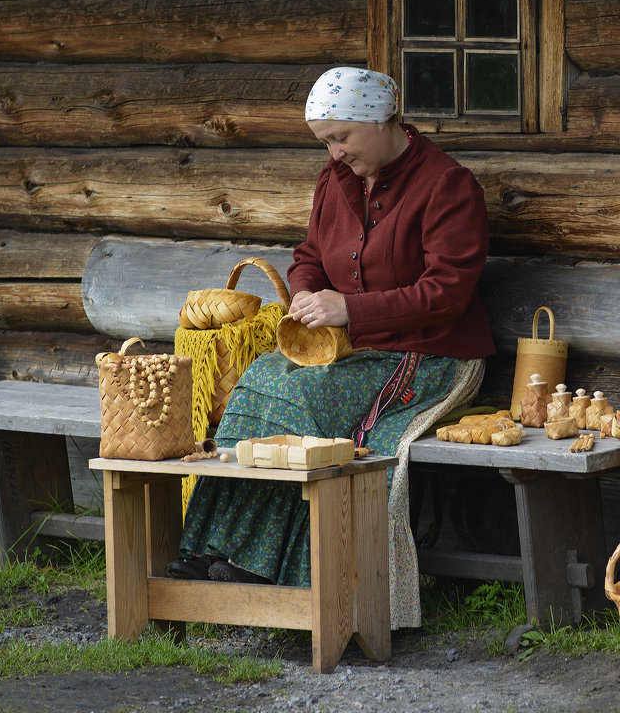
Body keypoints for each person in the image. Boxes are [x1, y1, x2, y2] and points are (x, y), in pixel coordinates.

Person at [167, 67, 495, 626]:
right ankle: (212, 549)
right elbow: (309, 256)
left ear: (382, 119)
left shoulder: (447, 186)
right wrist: (305, 296)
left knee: (307, 404)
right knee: (256, 388)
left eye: (342, 137)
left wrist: (349, 309)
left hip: (432, 354)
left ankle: (274, 568)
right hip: (351, 350)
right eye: (326, 142)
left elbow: (447, 293)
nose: (335, 152)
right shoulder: (335, 182)